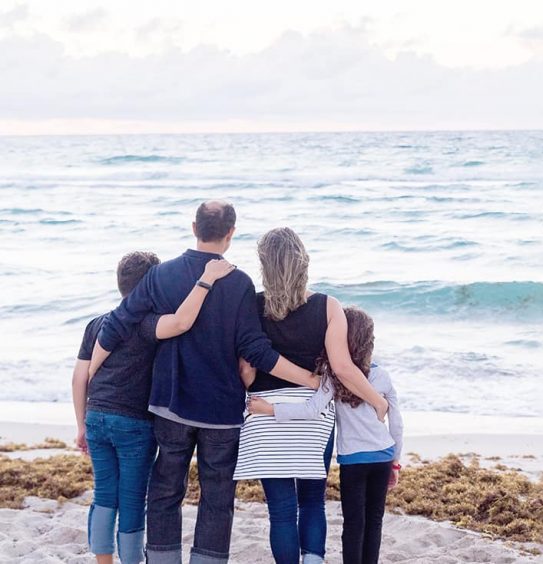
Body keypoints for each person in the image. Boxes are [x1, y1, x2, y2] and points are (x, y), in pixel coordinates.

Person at [93, 202, 316, 564]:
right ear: (231, 233)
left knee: (165, 492)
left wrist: (89, 372)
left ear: (193, 226)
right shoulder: (240, 283)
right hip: (221, 413)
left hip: (171, 405)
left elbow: (119, 323)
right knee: (217, 498)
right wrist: (308, 379)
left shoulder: (161, 275)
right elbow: (255, 350)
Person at [233, 227, 389, 564]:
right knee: (312, 502)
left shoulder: (251, 306)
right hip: (312, 417)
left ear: (264, 266)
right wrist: (377, 401)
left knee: (282, 512)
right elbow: (344, 368)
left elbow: (245, 365)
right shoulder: (328, 306)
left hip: (264, 414)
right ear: (303, 262)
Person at [72, 251, 235, 564]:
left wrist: (81, 424)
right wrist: (207, 280)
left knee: (104, 495)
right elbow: (182, 321)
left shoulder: (97, 324)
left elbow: (80, 377)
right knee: (133, 501)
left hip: (97, 418)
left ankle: (103, 561)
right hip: (134, 424)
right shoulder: (147, 325)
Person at [249, 306, 403, 564]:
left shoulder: (333, 377)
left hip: (353, 462)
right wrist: (395, 461)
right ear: (369, 341)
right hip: (384, 456)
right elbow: (396, 423)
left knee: (354, 524)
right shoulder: (382, 375)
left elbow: (310, 410)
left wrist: (269, 409)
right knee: (375, 522)